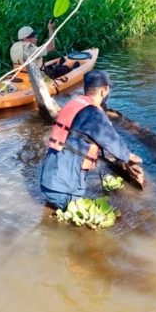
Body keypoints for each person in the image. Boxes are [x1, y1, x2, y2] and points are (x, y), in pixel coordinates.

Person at [39, 70, 142, 210]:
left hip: (48, 181)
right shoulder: (94, 114)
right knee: (77, 214)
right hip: (64, 189)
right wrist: (129, 156)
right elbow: (111, 141)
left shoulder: (75, 103)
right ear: (105, 90)